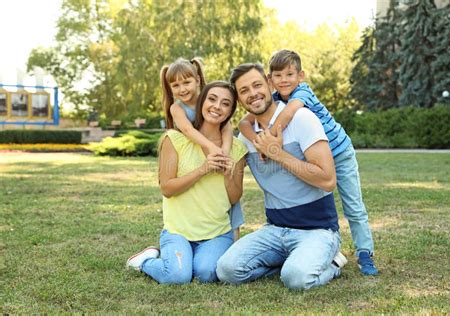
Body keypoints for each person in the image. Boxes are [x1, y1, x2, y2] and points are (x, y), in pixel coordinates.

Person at [238, 50, 378, 276]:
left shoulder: (302, 93)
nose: (284, 80)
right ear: (270, 80)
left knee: (353, 206)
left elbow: (287, 115)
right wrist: (257, 141)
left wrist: (272, 139)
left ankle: (365, 253)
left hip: (339, 152)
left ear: (300, 76)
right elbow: (245, 122)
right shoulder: (271, 99)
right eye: (278, 75)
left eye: (290, 74)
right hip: (315, 155)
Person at [216, 63, 347, 290]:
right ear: (238, 99)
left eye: (257, 85)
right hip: (274, 231)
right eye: (244, 90)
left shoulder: (302, 119)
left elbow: (328, 180)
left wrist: (277, 153)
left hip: (317, 230)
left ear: (269, 83)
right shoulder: (245, 136)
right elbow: (233, 190)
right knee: (227, 270)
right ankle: (292, 262)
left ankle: (333, 261)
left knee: (296, 279)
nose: (253, 93)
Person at [126, 81, 247, 284]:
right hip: (178, 232)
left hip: (216, 233)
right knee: (177, 276)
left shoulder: (237, 149)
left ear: (230, 111)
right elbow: (167, 189)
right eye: (212, 99)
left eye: (225, 103)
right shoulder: (174, 140)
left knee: (207, 274)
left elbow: (235, 197)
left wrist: (227, 174)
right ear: (201, 102)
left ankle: (187, 260)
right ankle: (145, 261)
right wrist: (204, 169)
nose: (217, 106)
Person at [161, 57, 244, 239]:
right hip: (197, 154)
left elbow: (227, 126)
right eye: (175, 86)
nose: (182, 89)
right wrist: (210, 147)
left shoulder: (207, 101)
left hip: (216, 154)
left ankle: (234, 241)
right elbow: (187, 129)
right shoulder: (177, 108)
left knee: (229, 197)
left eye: (187, 82)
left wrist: (225, 151)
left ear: (198, 80)